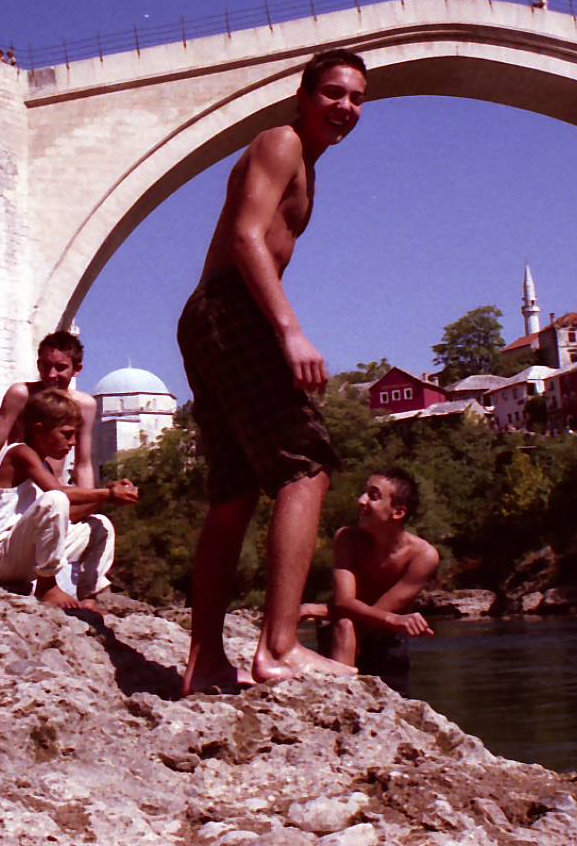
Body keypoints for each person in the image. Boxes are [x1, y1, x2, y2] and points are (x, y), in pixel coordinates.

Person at [177, 48, 369, 695]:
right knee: (305, 463)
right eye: (334, 93)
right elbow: (245, 238)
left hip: (210, 317)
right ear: (303, 94)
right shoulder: (281, 142)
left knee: (233, 493)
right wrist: (288, 329)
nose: (346, 108)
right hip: (230, 310)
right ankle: (278, 648)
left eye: (357, 99)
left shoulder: (305, 165)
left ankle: (204, 663)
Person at [0, 388, 139, 611]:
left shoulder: (42, 464)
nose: (72, 442)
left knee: (100, 525)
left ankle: (89, 595)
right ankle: (47, 585)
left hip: (27, 556)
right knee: (55, 498)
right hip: (2, 558)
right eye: (66, 434)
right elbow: (59, 495)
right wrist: (107, 493)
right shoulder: (19, 453)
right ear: (39, 430)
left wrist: (107, 498)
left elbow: (65, 515)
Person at [306, 468, 439, 695]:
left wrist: (317, 609)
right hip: (343, 634)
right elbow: (345, 602)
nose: (361, 500)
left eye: (373, 496)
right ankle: (340, 700)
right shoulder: (347, 538)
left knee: (347, 622)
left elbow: (374, 614)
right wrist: (396, 620)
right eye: (363, 493)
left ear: (397, 512)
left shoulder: (423, 556)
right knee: (346, 624)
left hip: (385, 644)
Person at [0, 331, 99, 501]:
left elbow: (83, 463)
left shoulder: (84, 405)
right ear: (38, 365)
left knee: (97, 521)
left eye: (60, 367)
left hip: (54, 492)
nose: (51, 374)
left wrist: (87, 501)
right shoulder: (21, 395)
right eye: (45, 366)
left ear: (77, 369)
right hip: (16, 492)